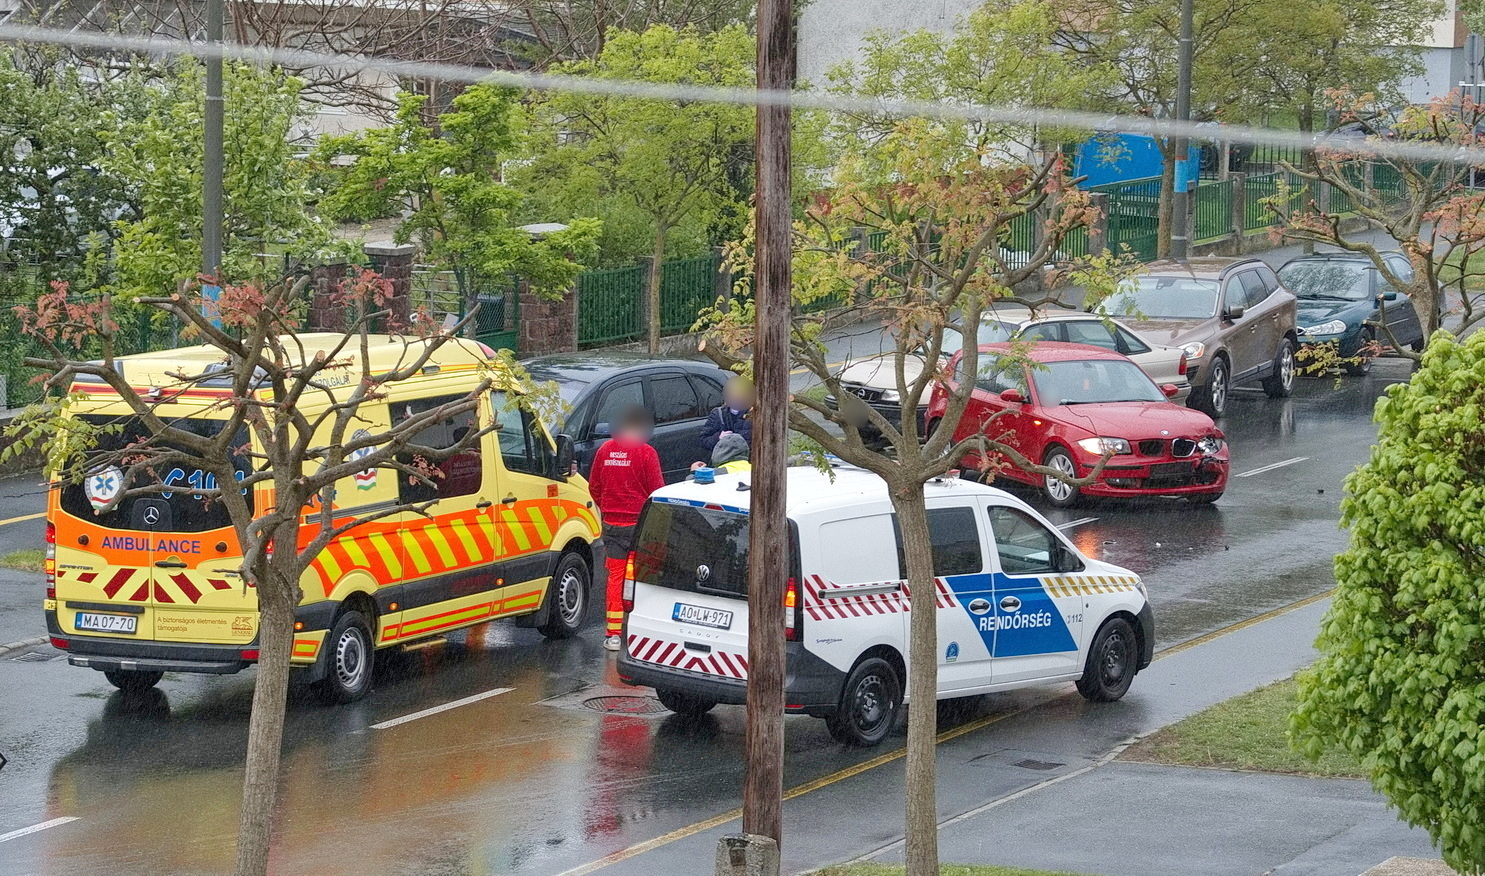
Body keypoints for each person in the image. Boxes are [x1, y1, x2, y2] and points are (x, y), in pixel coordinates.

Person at [587, 405, 665, 651]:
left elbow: (594, 486)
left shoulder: (605, 451)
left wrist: (608, 508)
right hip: (640, 527)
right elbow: (657, 490)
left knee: (616, 578)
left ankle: (613, 634)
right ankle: (640, 631)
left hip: (612, 526)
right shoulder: (647, 453)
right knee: (643, 577)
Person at [699, 376, 754, 453]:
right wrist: (718, 437)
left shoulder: (753, 413)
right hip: (724, 458)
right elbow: (703, 440)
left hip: (747, 459)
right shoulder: (718, 414)